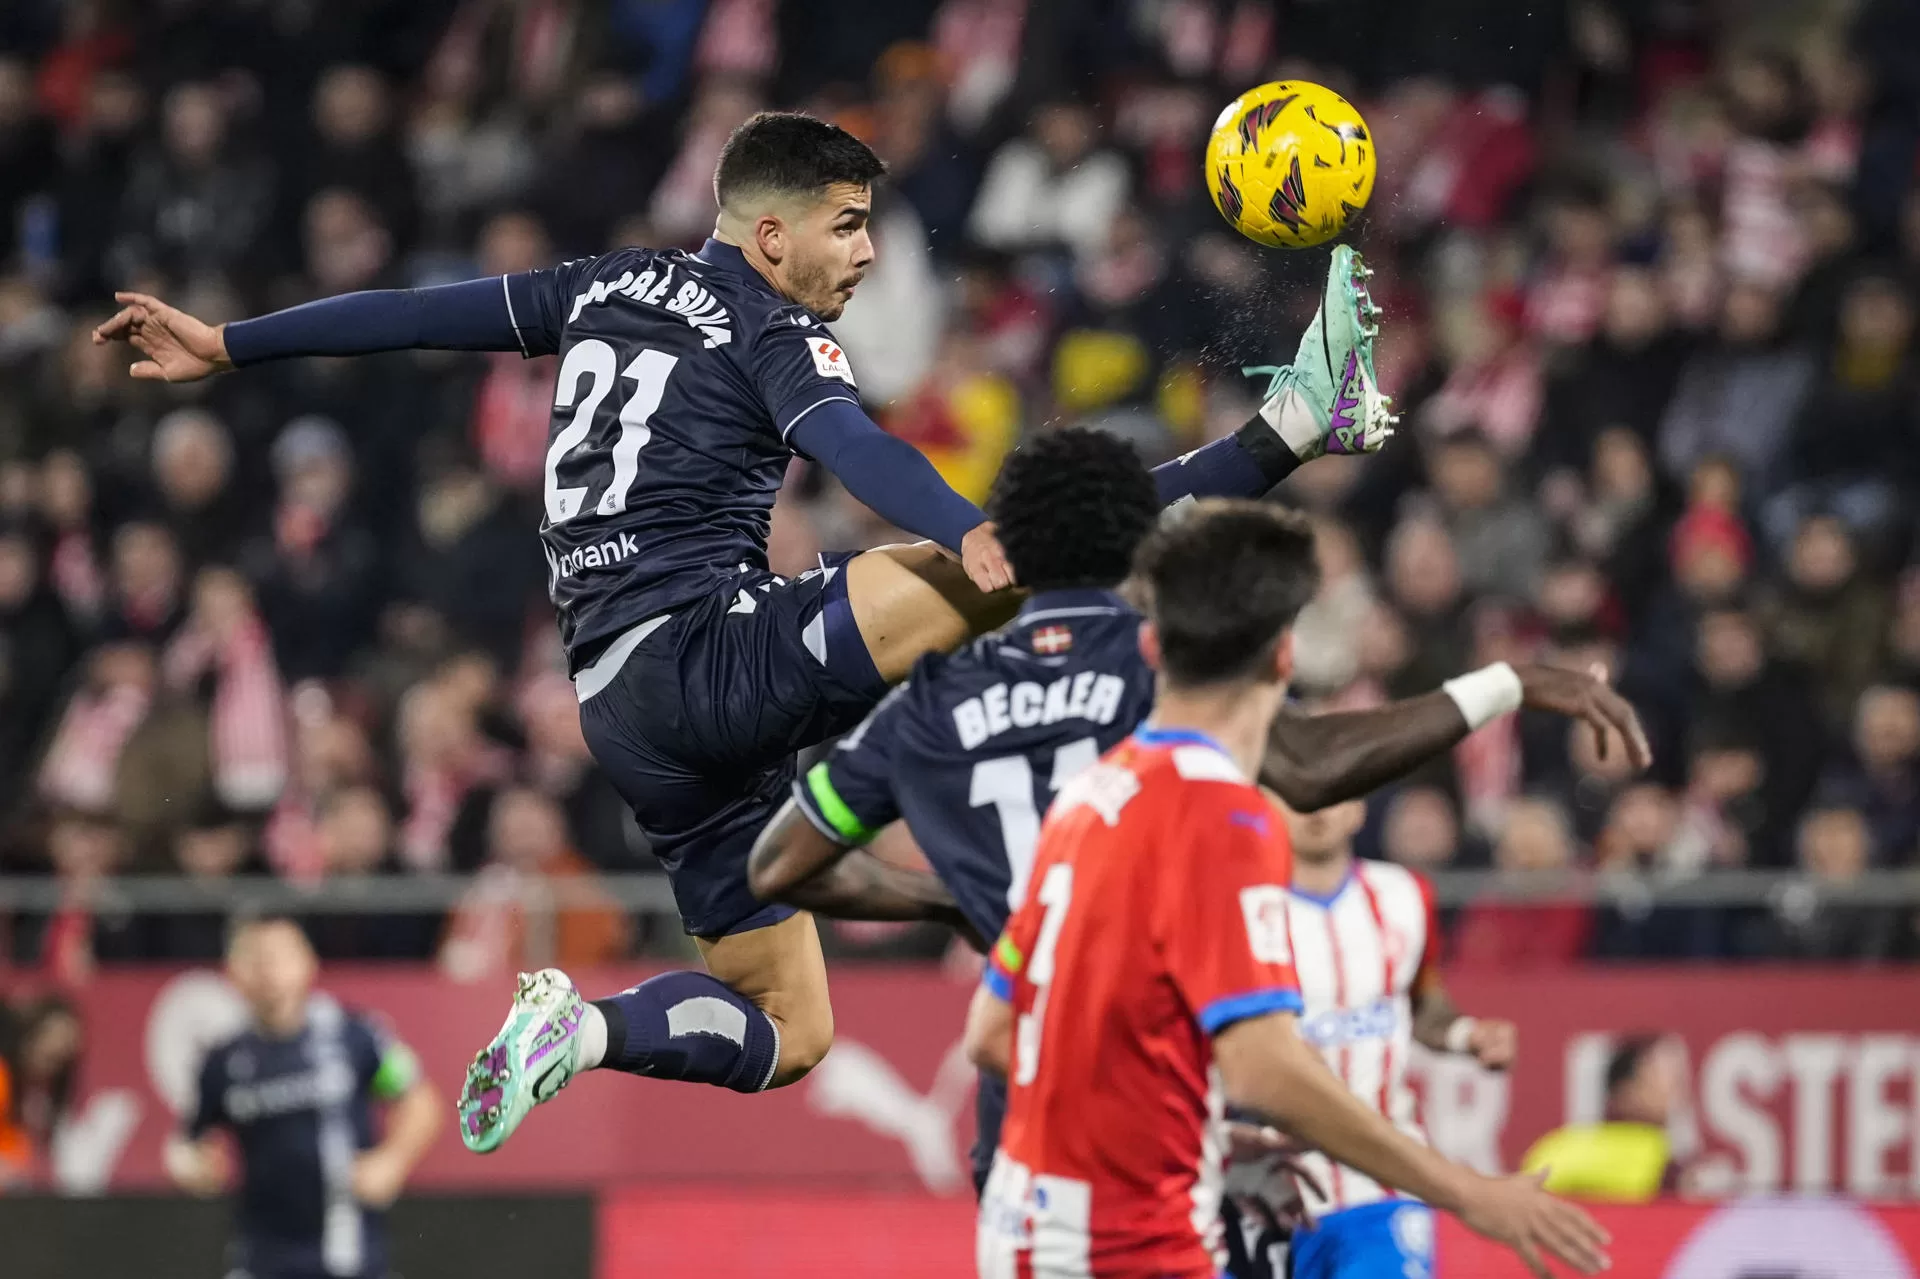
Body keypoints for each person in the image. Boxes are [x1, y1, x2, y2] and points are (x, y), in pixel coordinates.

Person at [96, 111, 1393, 1153]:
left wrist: (233, 344)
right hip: (704, 649)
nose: (870, 254)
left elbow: (418, 313)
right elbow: (848, 439)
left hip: (621, 711)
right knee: (1015, 560)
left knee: (791, 1028)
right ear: (769, 234)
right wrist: (966, 527)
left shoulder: (600, 283)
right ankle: (1289, 428)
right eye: (849, 226)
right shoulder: (766, 322)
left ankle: (589, 1031)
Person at [746, 431, 1648, 1208]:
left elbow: (781, 865)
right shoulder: (1156, 668)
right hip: (1154, 1082)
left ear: (1010, 547)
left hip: (1018, 1099)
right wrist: (1508, 682)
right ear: (1141, 545)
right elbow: (1310, 763)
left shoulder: (931, 701)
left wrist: (952, 903)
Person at [965, 500, 1610, 1279]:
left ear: (1149, 645)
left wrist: (1207, 1135)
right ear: (1282, 659)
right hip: (1130, 1246)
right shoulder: (1224, 816)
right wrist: (1469, 1191)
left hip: (1024, 1231)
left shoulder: (1090, 793)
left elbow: (996, 1033)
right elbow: (1265, 1068)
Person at [1238, 795, 1522, 1279]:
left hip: (1381, 1188)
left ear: (1360, 809)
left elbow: (1420, 999)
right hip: (1261, 1191)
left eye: (1336, 788)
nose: (1316, 806)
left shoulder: (1405, 896)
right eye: (1299, 791)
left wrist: (1464, 1034)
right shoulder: (1239, 908)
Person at [164, 918, 442, 1279]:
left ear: (308, 963)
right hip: (262, 1260)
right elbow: (187, 1143)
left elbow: (420, 1099)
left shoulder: (354, 1035)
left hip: (353, 1258)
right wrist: (192, 1168)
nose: (268, 972)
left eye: (278, 958)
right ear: (233, 973)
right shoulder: (224, 1061)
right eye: (254, 959)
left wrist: (393, 1159)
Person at [1521, 1034, 1679, 1202]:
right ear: (1624, 1089)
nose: (1672, 1090)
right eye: (1660, 1076)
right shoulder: (1559, 1149)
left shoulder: (1556, 1147)